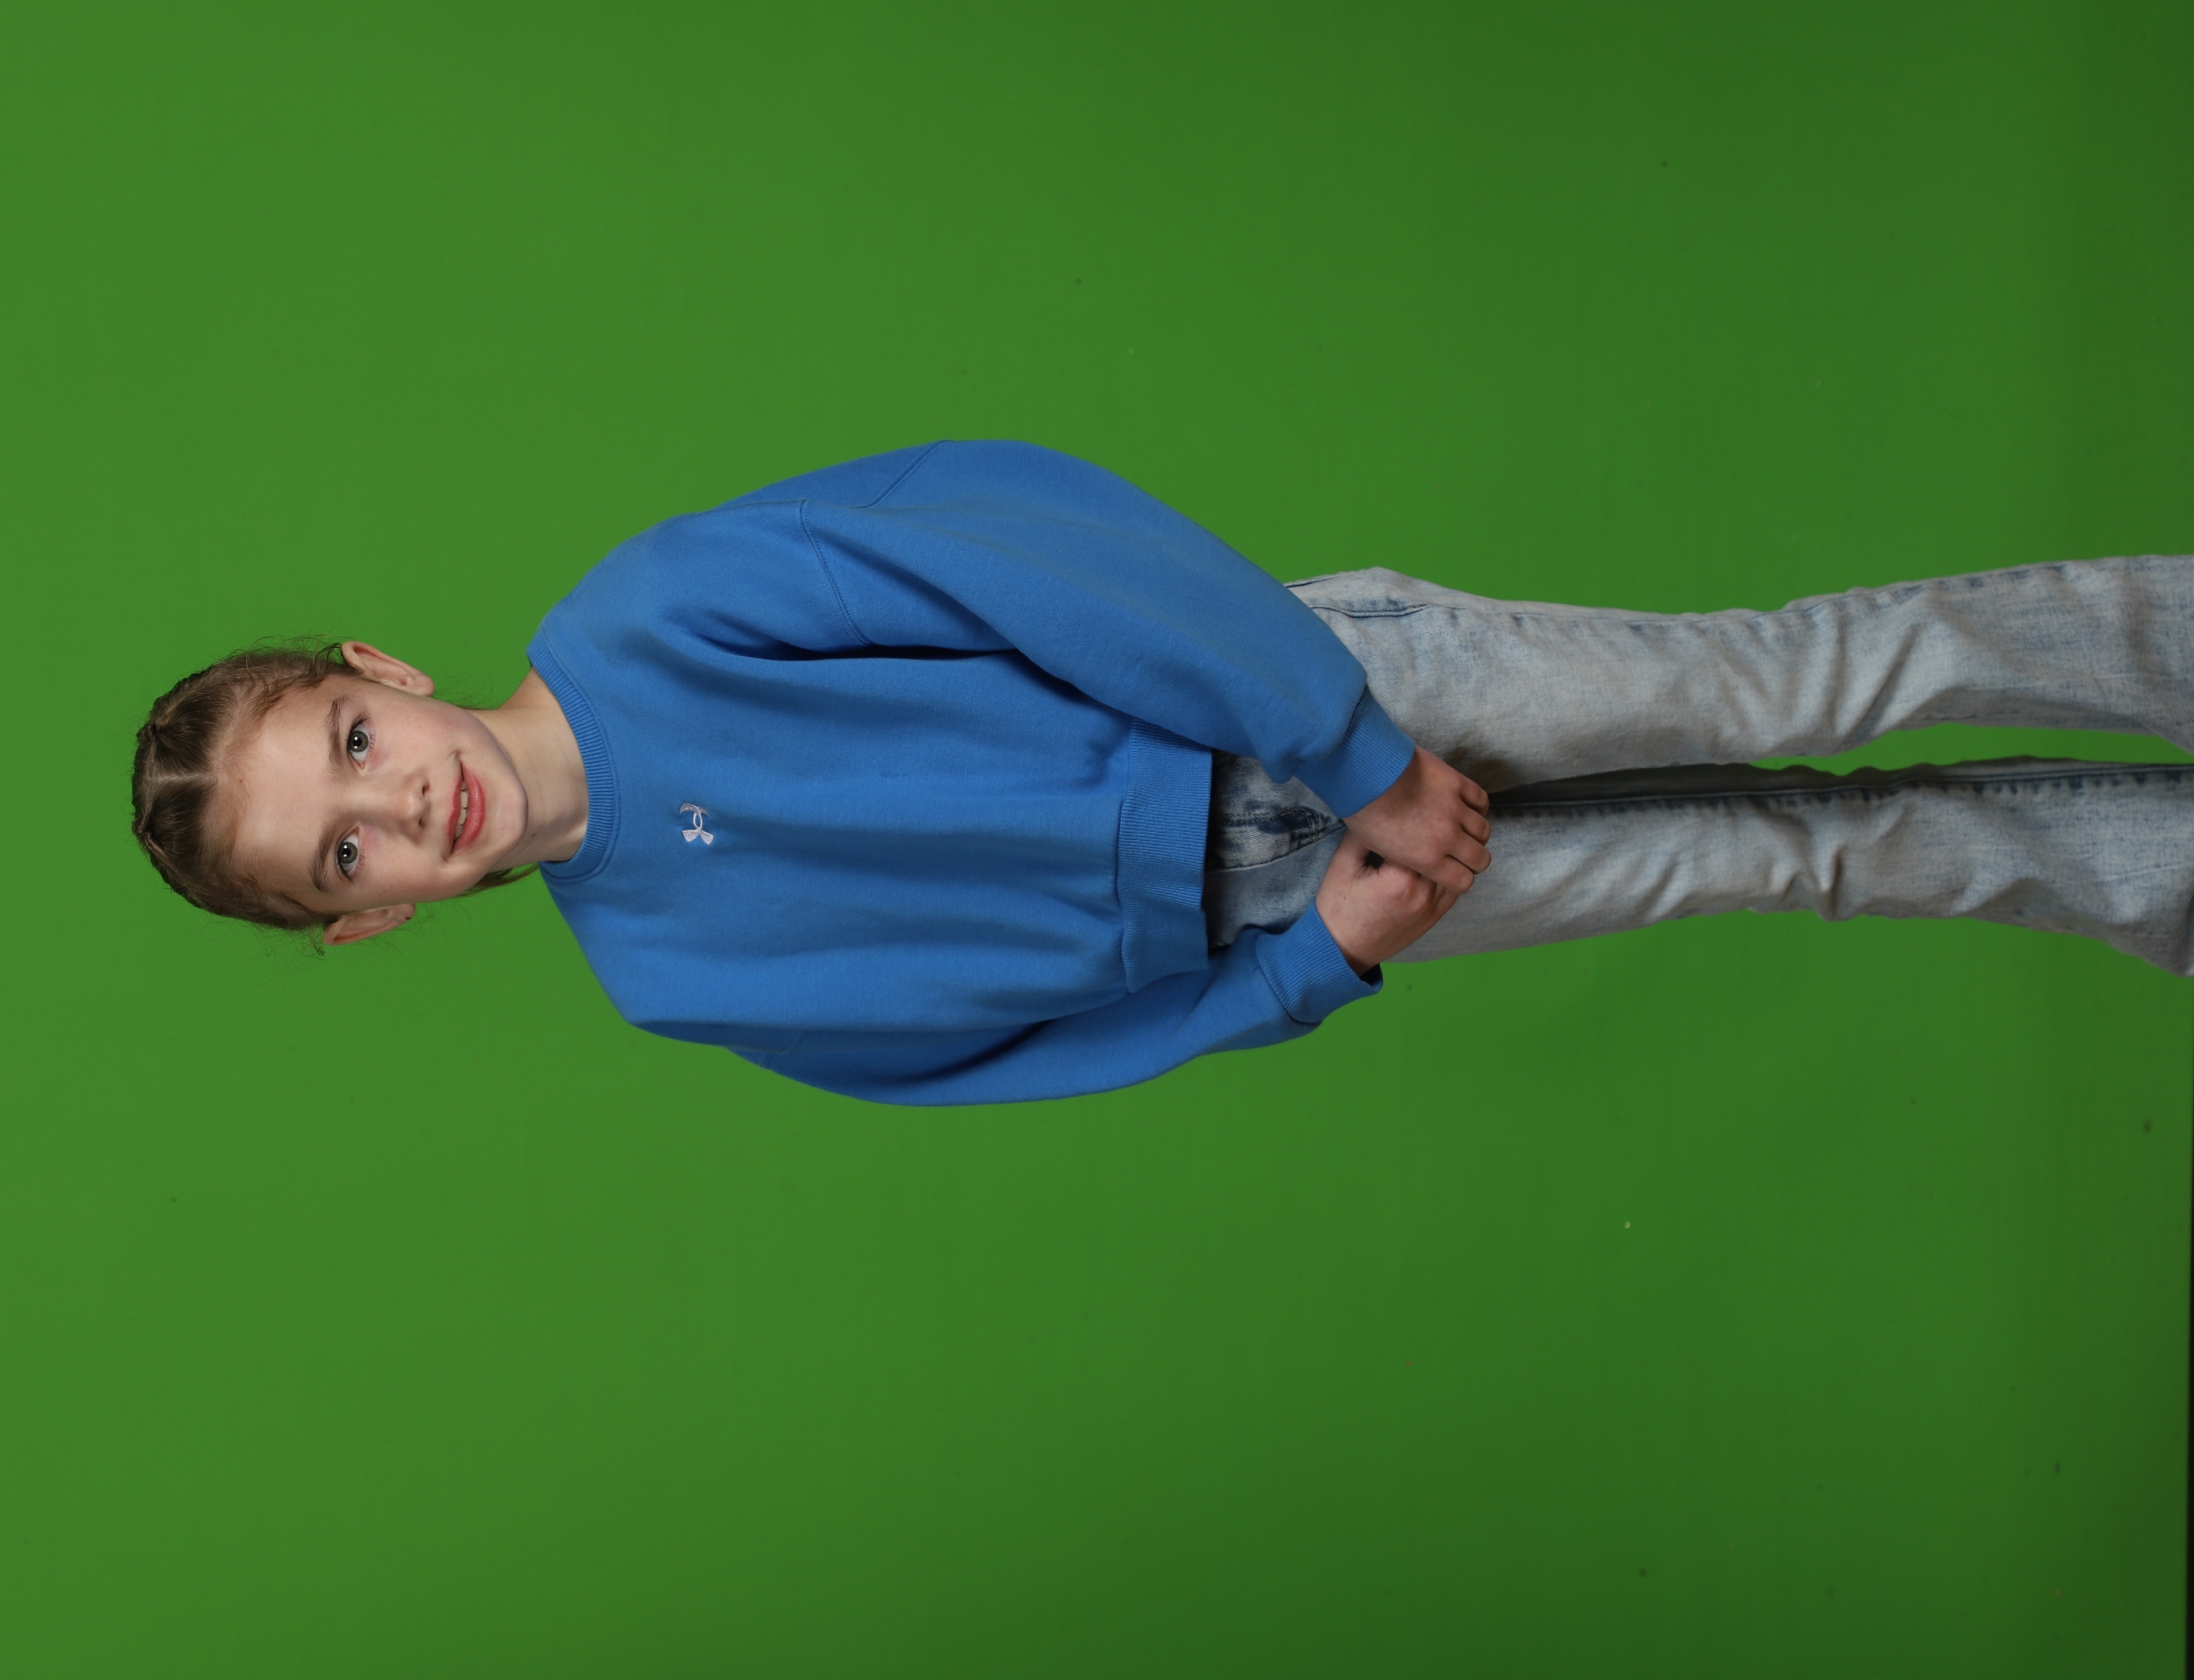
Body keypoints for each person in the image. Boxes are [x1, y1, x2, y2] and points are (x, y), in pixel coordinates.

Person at [130, 440, 2194, 1104]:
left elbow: (1039, 549)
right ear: (366, 926)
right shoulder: (672, 980)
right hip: (1301, 900)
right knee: (1801, 860)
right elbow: (1011, 1058)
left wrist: (1355, 750)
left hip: (1302, 698)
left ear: (382, 673)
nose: (399, 806)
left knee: (1793, 684)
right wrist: (1315, 963)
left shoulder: (657, 609)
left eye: (353, 747)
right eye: (343, 857)